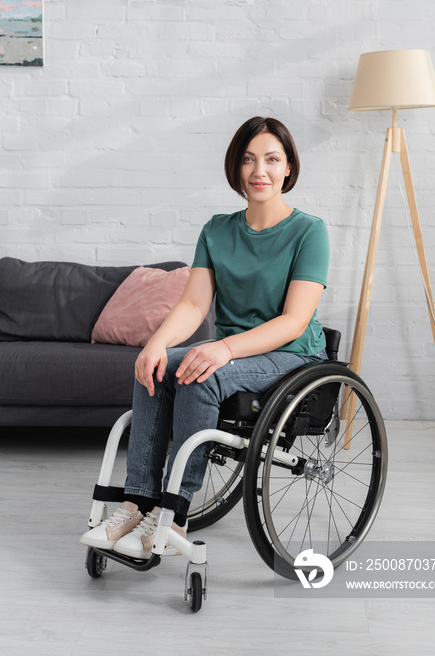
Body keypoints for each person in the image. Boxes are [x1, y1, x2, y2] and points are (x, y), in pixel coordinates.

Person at [81, 116, 330, 559]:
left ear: (288, 168)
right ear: (236, 168)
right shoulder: (217, 229)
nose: (260, 171)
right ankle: (137, 503)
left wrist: (224, 348)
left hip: (291, 355)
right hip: (233, 353)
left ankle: (172, 515)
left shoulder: (309, 232)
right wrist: (156, 344)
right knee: (155, 366)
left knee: (201, 373)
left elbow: (294, 321)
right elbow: (194, 305)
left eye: (272, 159)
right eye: (249, 160)